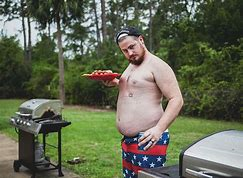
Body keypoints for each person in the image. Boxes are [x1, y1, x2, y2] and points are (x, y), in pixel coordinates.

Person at [103, 27, 183, 178]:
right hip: (128, 141)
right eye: (125, 51)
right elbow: (137, 88)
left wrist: (159, 129)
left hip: (148, 139)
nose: (130, 53)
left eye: (132, 47)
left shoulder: (157, 65)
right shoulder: (132, 64)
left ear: (141, 40)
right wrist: (116, 82)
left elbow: (176, 99)